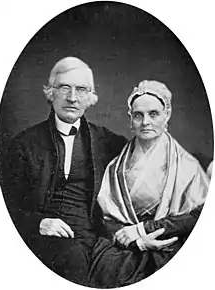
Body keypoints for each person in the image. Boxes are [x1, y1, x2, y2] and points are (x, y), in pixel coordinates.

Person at [0, 57, 127, 286]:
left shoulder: (107, 142)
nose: (72, 97)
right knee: (73, 262)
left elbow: (147, 157)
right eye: (65, 88)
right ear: (50, 93)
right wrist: (38, 223)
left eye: (81, 90)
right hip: (47, 240)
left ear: (90, 98)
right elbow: (4, 207)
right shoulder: (24, 144)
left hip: (96, 239)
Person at [88, 80, 209, 288]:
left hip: (169, 243)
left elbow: (200, 215)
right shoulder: (115, 167)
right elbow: (104, 218)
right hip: (124, 245)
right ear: (131, 119)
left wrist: (145, 229)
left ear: (166, 116)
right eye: (138, 115)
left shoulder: (187, 166)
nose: (145, 122)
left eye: (153, 114)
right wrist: (137, 241)